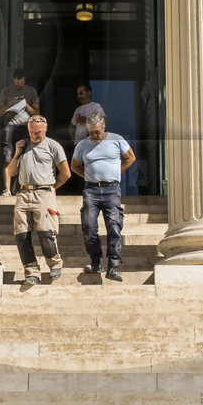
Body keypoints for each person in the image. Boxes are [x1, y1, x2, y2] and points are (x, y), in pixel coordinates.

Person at [5, 113, 70, 291]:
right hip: (23, 193)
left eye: (39, 132)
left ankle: (55, 263)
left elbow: (66, 173)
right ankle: (31, 271)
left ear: (45, 129)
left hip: (44, 192)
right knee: (21, 234)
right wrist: (17, 152)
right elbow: (11, 173)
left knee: (45, 231)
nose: (35, 135)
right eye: (32, 132)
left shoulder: (53, 146)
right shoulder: (23, 146)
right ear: (28, 130)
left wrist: (52, 188)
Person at [71, 111, 135, 284]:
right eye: (91, 132)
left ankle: (114, 265)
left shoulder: (117, 139)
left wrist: (116, 174)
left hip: (111, 190)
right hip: (91, 190)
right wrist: (87, 176)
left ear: (104, 127)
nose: (94, 135)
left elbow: (130, 158)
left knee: (114, 226)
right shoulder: (83, 145)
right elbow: (74, 165)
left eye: (97, 132)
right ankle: (96, 261)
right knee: (89, 227)